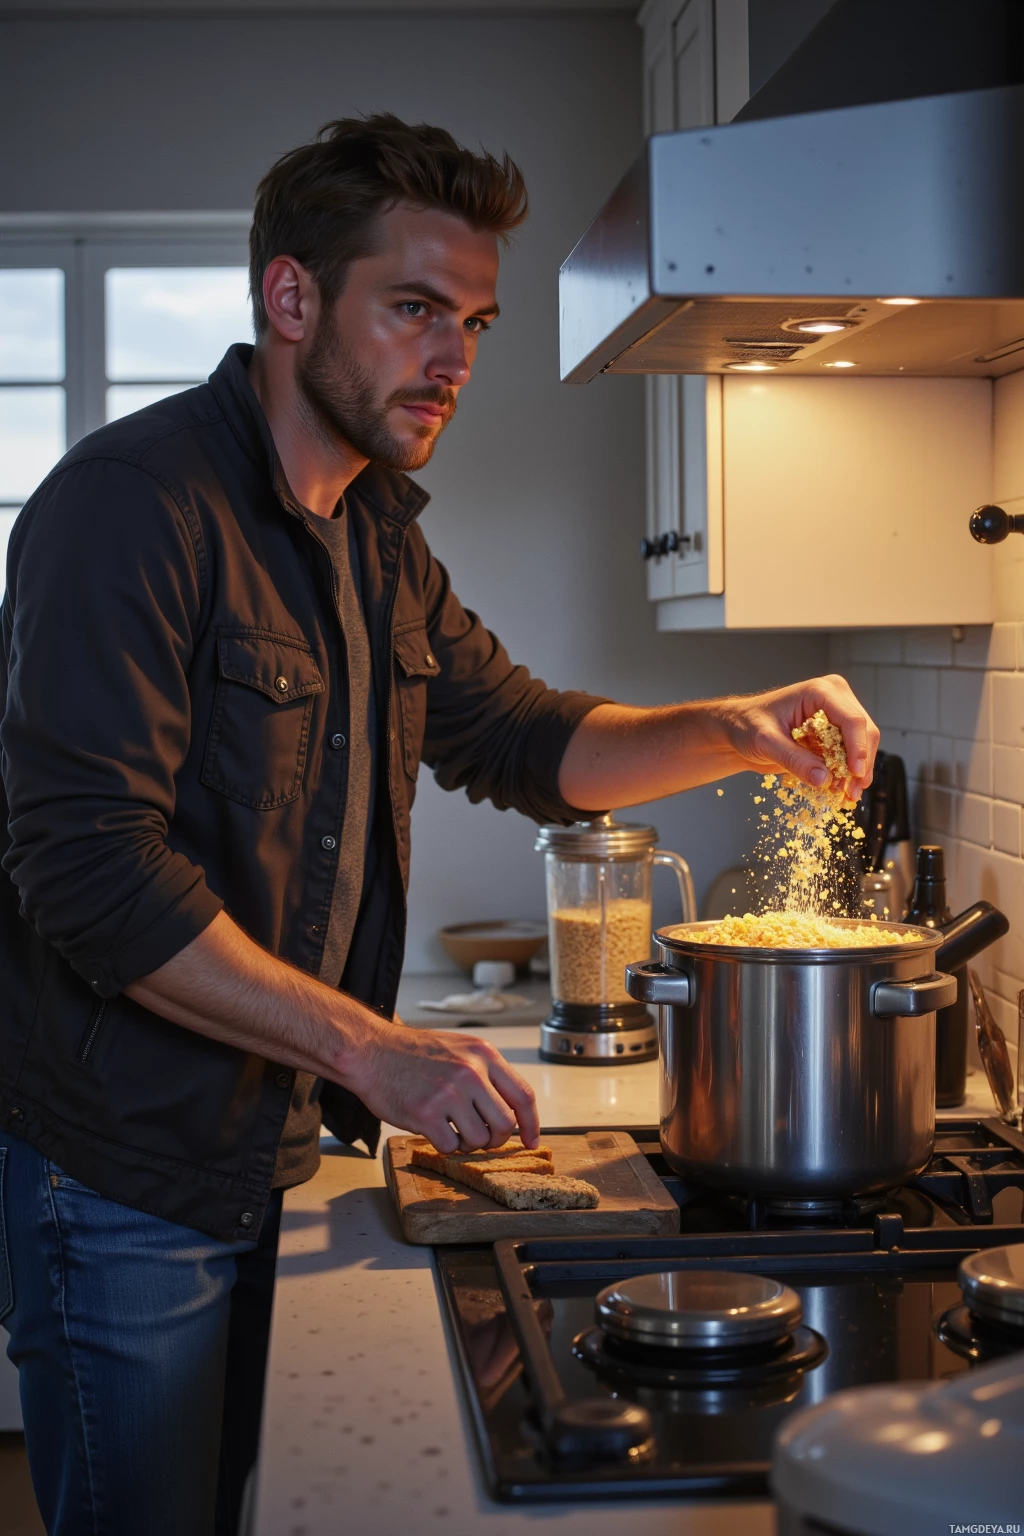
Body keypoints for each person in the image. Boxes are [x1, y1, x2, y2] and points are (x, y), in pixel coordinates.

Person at [0, 113, 879, 1535]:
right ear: (292, 299)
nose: (457, 357)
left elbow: (525, 739)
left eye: (471, 318)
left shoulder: (375, 537)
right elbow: (91, 878)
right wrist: (371, 1048)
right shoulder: (132, 509)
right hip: (122, 1180)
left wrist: (737, 724)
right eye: (414, 310)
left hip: (269, 1143)